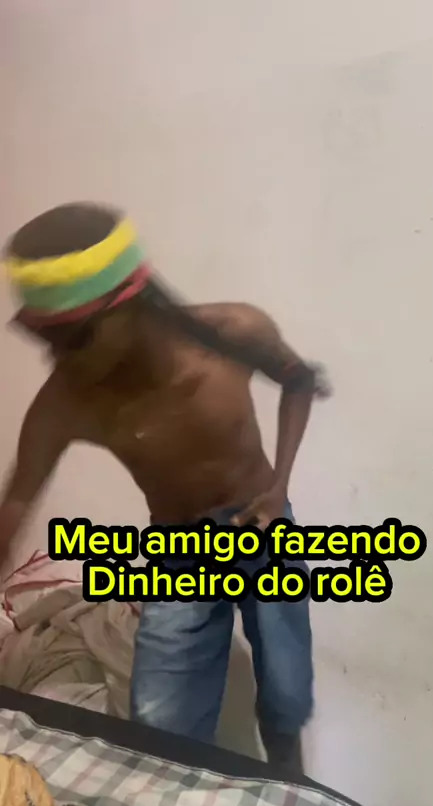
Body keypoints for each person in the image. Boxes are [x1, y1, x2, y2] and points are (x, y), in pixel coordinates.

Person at [0, 202, 331, 773]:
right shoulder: (68, 400)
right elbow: (18, 501)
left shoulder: (232, 333)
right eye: (45, 338)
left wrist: (279, 486)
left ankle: (291, 792)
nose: (56, 357)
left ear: (130, 303)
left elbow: (298, 381)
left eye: (74, 336)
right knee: (160, 720)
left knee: (286, 693)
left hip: (264, 528)